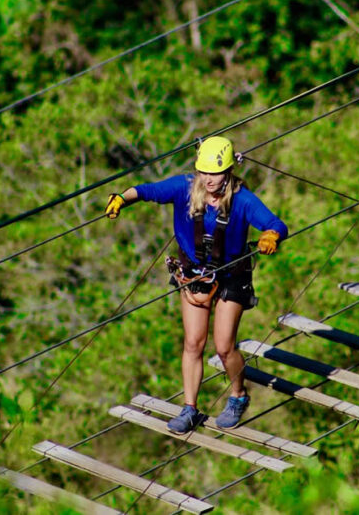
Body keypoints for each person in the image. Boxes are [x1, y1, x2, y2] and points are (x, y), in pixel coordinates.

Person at [104, 136, 288, 433]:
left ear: (228, 171)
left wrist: (271, 236)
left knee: (225, 346)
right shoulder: (185, 188)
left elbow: (276, 223)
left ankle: (238, 396)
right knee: (193, 342)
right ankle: (189, 408)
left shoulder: (242, 200)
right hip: (195, 275)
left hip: (231, 275)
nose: (209, 180)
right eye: (204, 173)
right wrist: (121, 199)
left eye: (215, 174)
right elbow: (145, 190)